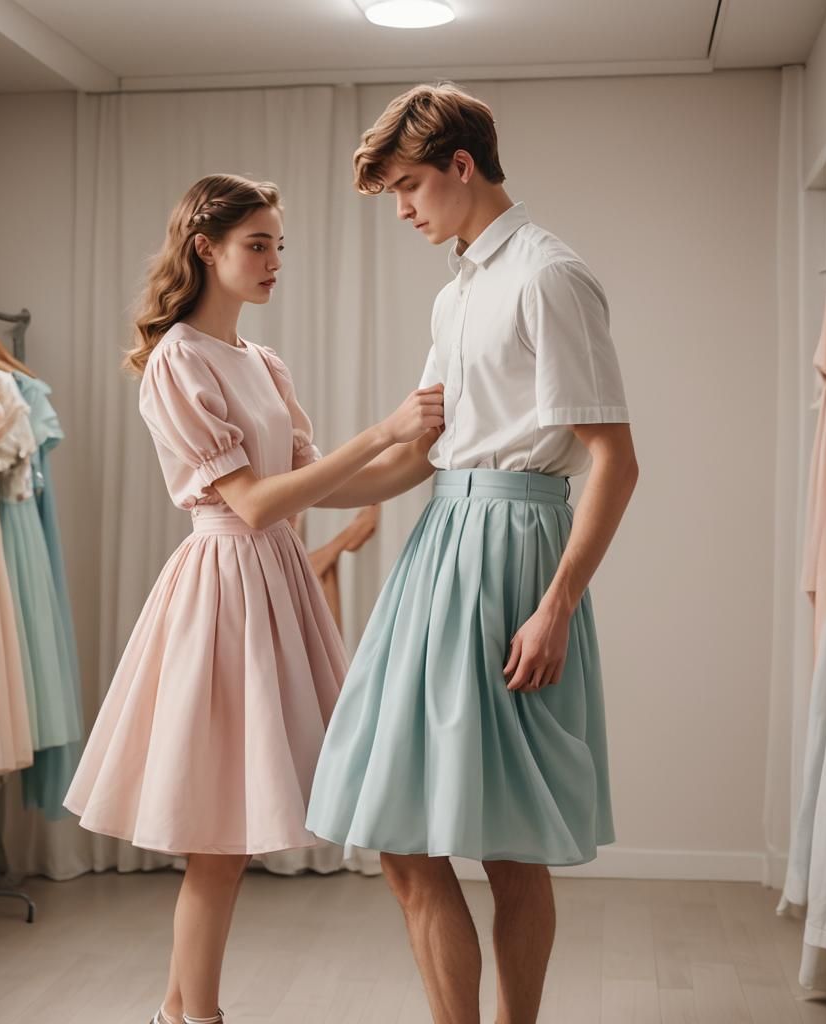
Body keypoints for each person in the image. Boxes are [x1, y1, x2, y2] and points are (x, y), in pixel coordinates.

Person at [62, 173, 444, 1024]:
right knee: (217, 843)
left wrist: (433, 455)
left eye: (280, 245)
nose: (275, 262)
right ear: (206, 250)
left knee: (229, 844)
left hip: (277, 587)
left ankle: (176, 1012)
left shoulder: (262, 363)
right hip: (225, 594)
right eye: (258, 245)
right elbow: (256, 503)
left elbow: (311, 488)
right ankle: (195, 1016)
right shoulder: (176, 362)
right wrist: (383, 431)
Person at [305, 83, 639, 1024]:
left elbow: (616, 459)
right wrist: (289, 494)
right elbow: (422, 455)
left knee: (507, 840)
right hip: (439, 547)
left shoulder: (548, 276)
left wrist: (557, 604)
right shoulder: (459, 290)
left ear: (462, 165)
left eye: (410, 187)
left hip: (515, 555)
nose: (404, 212)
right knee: (402, 837)